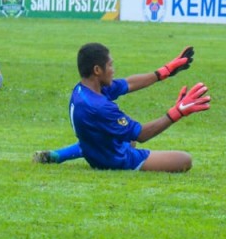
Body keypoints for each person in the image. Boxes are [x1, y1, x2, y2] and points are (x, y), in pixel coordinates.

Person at [32, 43, 209, 172]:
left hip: (94, 147)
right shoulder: (100, 106)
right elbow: (142, 135)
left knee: (117, 134)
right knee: (184, 160)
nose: (113, 69)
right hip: (114, 159)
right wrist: (178, 111)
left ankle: (58, 155)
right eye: (110, 65)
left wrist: (164, 72)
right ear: (97, 70)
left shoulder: (83, 89)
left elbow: (129, 83)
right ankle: (66, 155)